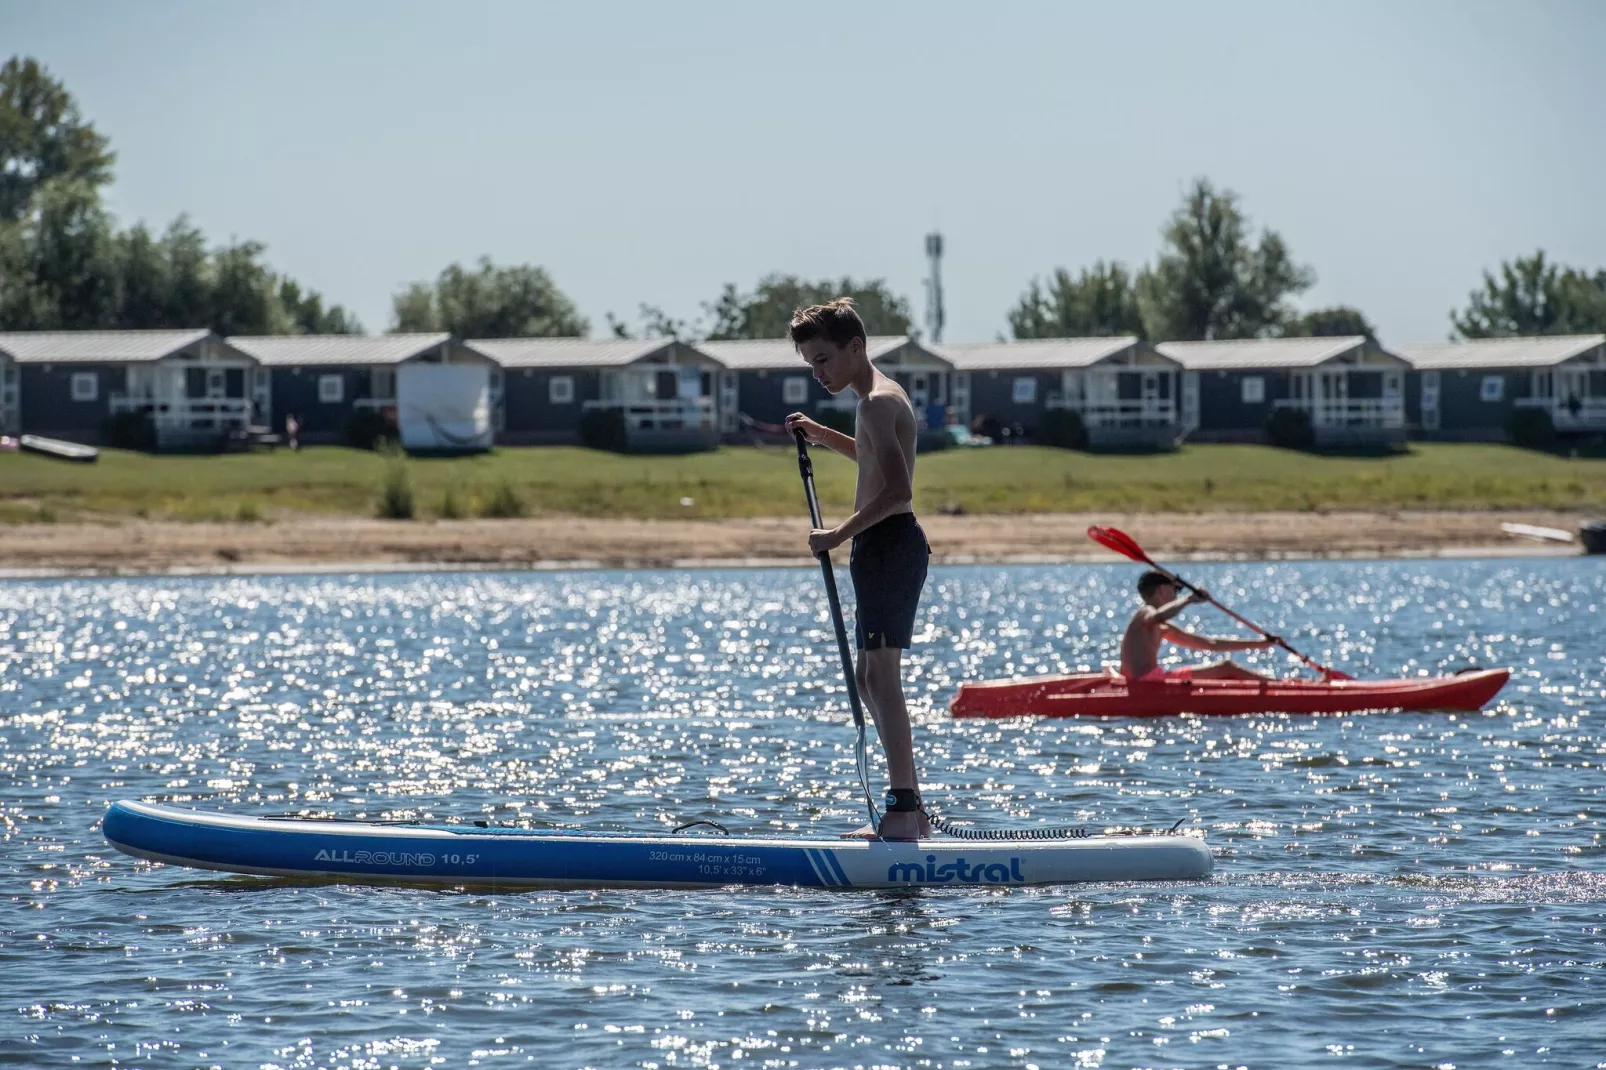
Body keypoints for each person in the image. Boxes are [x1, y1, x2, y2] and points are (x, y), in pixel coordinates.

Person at [783, 298, 930, 841]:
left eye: (823, 360)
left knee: (881, 679)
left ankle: (902, 813)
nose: (818, 373)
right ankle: (910, 812)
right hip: (879, 547)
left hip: (888, 544)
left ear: (855, 346)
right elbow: (871, 459)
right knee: (869, 676)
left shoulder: (876, 403)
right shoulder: (876, 398)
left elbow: (898, 491)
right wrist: (823, 436)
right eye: (810, 364)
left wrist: (835, 535)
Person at [1120, 570, 1278, 683]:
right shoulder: (1146, 613)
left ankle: (1274, 684)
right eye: (1175, 589)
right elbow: (1157, 616)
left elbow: (1211, 644)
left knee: (1226, 667)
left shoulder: (1161, 627)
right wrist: (1189, 599)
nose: (1176, 595)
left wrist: (1261, 644)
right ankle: (1278, 687)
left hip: (1151, 679)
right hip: (1149, 683)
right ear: (1162, 590)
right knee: (1226, 668)